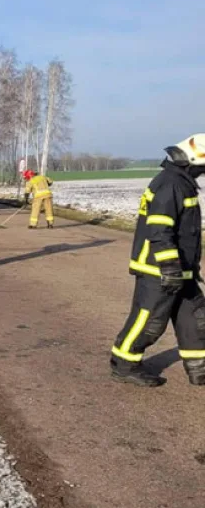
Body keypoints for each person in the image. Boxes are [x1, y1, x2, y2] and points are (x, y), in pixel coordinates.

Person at [110, 134, 205, 387]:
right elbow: (160, 228)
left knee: (195, 319)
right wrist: (169, 265)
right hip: (159, 269)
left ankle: (199, 368)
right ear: (193, 161)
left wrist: (186, 267)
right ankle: (124, 364)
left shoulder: (180, 182)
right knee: (149, 320)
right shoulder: (171, 183)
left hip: (180, 268)